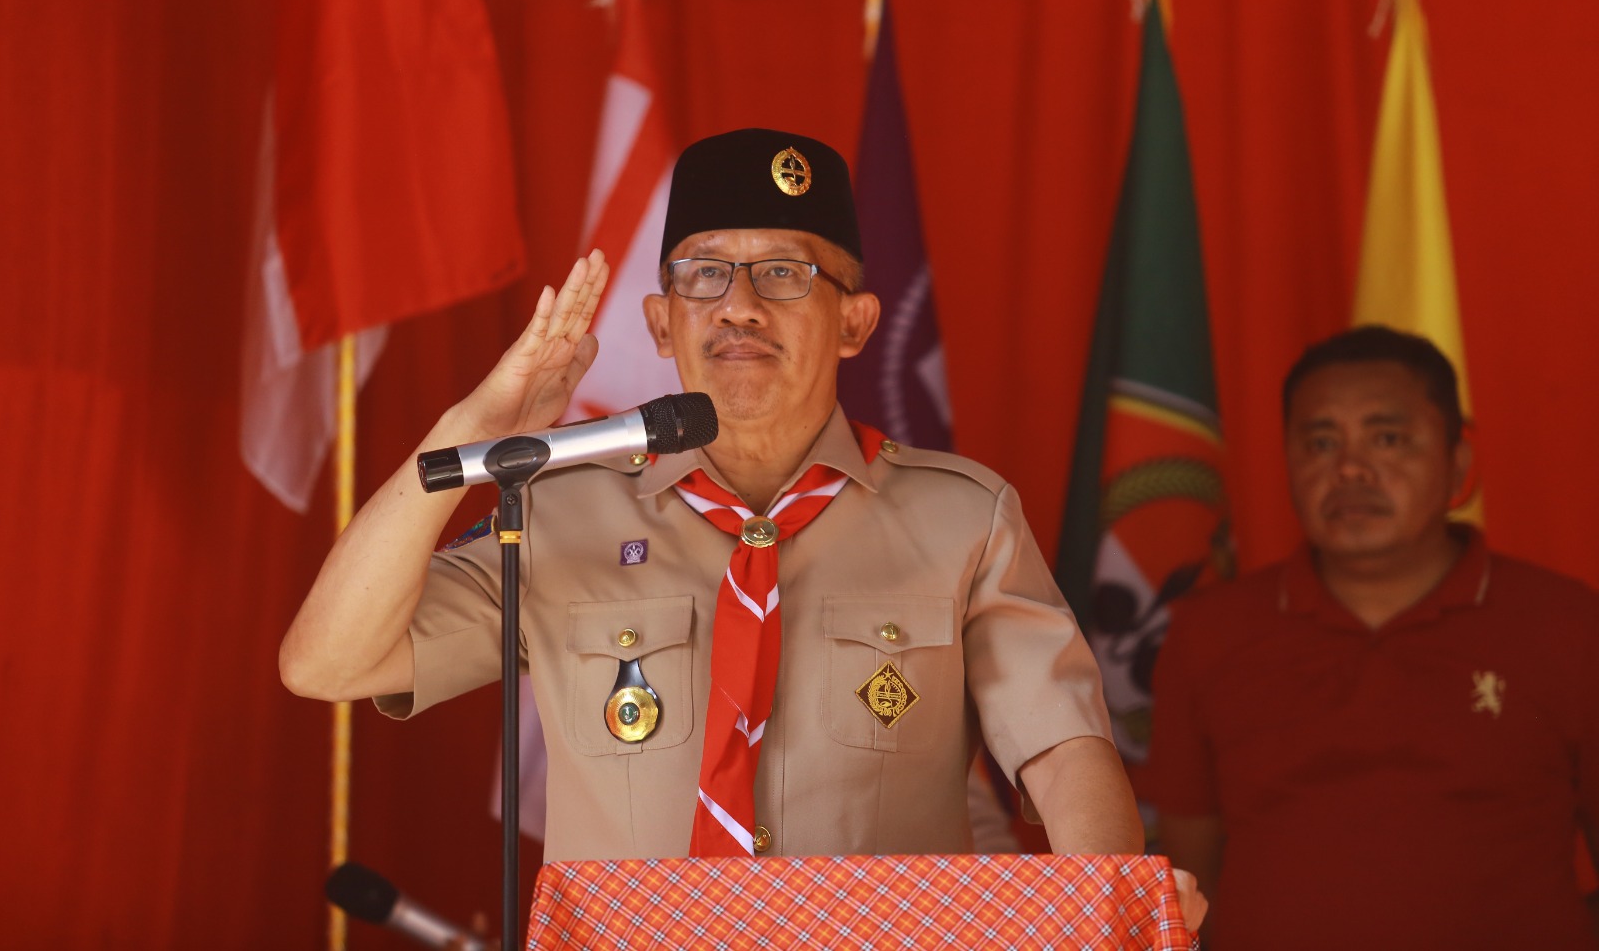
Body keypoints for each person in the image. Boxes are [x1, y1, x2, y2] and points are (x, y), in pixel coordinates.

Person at [280, 130, 1183, 891]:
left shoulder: (965, 519)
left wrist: (1102, 909)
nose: (739, 307)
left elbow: (1061, 751)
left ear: (857, 323)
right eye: (704, 275)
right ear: (662, 322)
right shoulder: (554, 518)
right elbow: (326, 662)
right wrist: (467, 437)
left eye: (785, 274)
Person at [1144, 324, 1599, 949]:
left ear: (1457, 462)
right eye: (1321, 442)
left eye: (1388, 439)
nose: (1352, 468)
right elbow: (1190, 872)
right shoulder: (1211, 631)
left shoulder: (1568, 625)